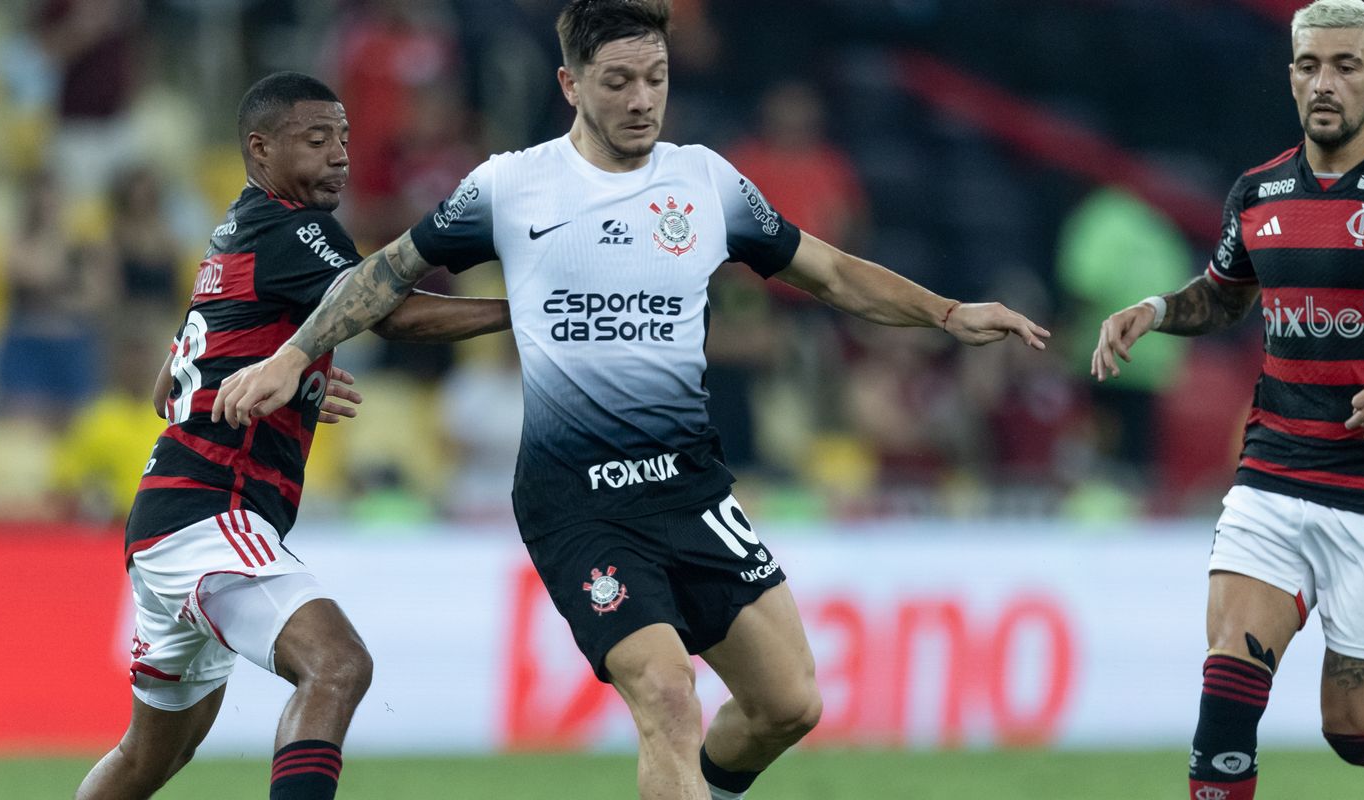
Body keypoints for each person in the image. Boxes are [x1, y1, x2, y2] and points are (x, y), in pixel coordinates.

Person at [210, 3, 1049, 798]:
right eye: (618, 81)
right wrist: (294, 353)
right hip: (578, 502)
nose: (641, 98)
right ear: (572, 85)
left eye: (655, 77)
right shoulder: (511, 187)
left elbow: (826, 270)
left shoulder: (705, 184)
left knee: (790, 704)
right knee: (667, 692)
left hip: (691, 488)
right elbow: (385, 273)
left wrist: (945, 310)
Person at [1089, 2, 1364, 798]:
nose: (1324, 82)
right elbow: (1224, 297)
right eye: (1307, 65)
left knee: (1360, 733)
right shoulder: (1258, 193)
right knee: (1225, 697)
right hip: (1272, 478)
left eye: (1345, 66)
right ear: (1291, 75)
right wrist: (1153, 310)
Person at [77, 71, 510, 800]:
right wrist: (523, 309)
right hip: (210, 513)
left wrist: (296, 374)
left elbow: (166, 391)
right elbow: (393, 313)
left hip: (167, 522)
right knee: (337, 665)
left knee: (147, 759)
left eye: (342, 138)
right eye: (316, 140)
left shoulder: (234, 234)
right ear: (260, 149)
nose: (339, 155)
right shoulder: (293, 228)